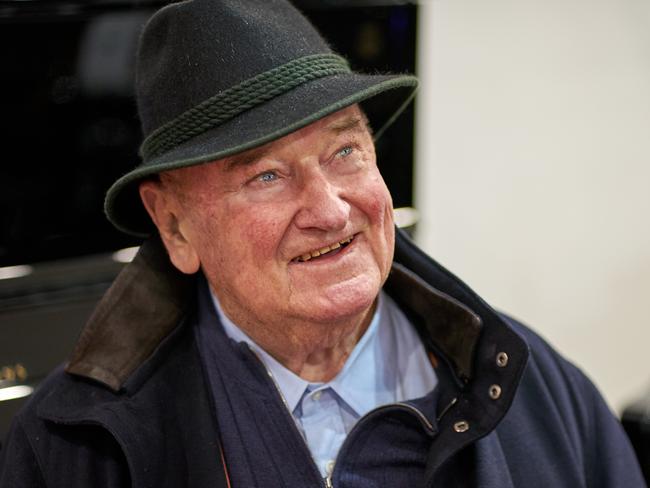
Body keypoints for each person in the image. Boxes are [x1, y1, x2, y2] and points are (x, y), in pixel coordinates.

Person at [0, 0, 645, 487]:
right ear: (175, 226)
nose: (331, 209)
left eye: (345, 150)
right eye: (266, 175)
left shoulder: (540, 391)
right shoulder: (69, 450)